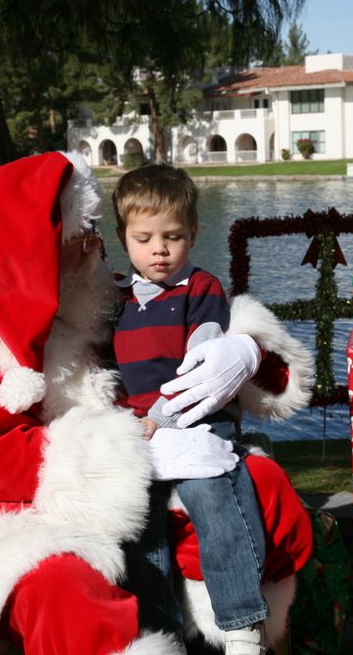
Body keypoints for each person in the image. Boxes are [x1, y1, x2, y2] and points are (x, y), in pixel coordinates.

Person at [0, 152, 315, 655]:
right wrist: (131, 446)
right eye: (82, 239)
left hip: (151, 462)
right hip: (18, 507)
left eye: (97, 234)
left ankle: (244, 633)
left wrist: (246, 349)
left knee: (263, 488)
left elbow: (179, 333)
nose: (97, 250)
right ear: (32, 250)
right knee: (62, 591)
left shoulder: (91, 291)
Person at [110, 165, 277, 653]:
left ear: (193, 234)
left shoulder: (200, 288)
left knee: (212, 495)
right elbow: (105, 369)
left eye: (173, 236)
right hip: (138, 430)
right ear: (124, 237)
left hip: (195, 418)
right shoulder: (116, 299)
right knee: (141, 523)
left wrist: (160, 416)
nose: (158, 249)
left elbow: (202, 366)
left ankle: (242, 623)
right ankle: (162, 630)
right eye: (144, 238)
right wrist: (124, 421)